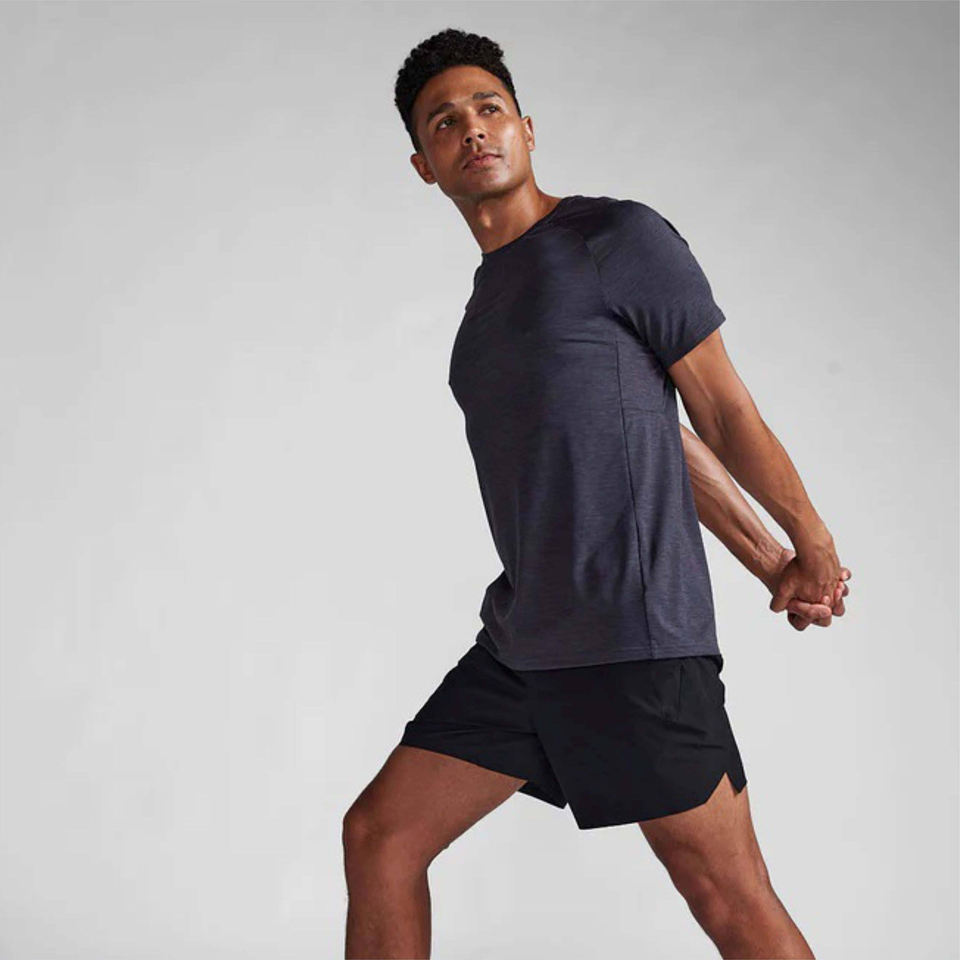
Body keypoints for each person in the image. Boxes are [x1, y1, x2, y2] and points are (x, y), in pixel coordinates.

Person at [342, 28, 852, 960]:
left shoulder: (615, 240)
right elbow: (659, 438)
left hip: (631, 639)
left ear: (527, 128)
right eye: (445, 122)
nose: (473, 129)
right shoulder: (480, 320)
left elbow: (720, 410)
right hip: (528, 641)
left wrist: (806, 542)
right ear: (424, 165)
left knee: (729, 898)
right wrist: (768, 560)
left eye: (489, 108)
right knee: (380, 837)